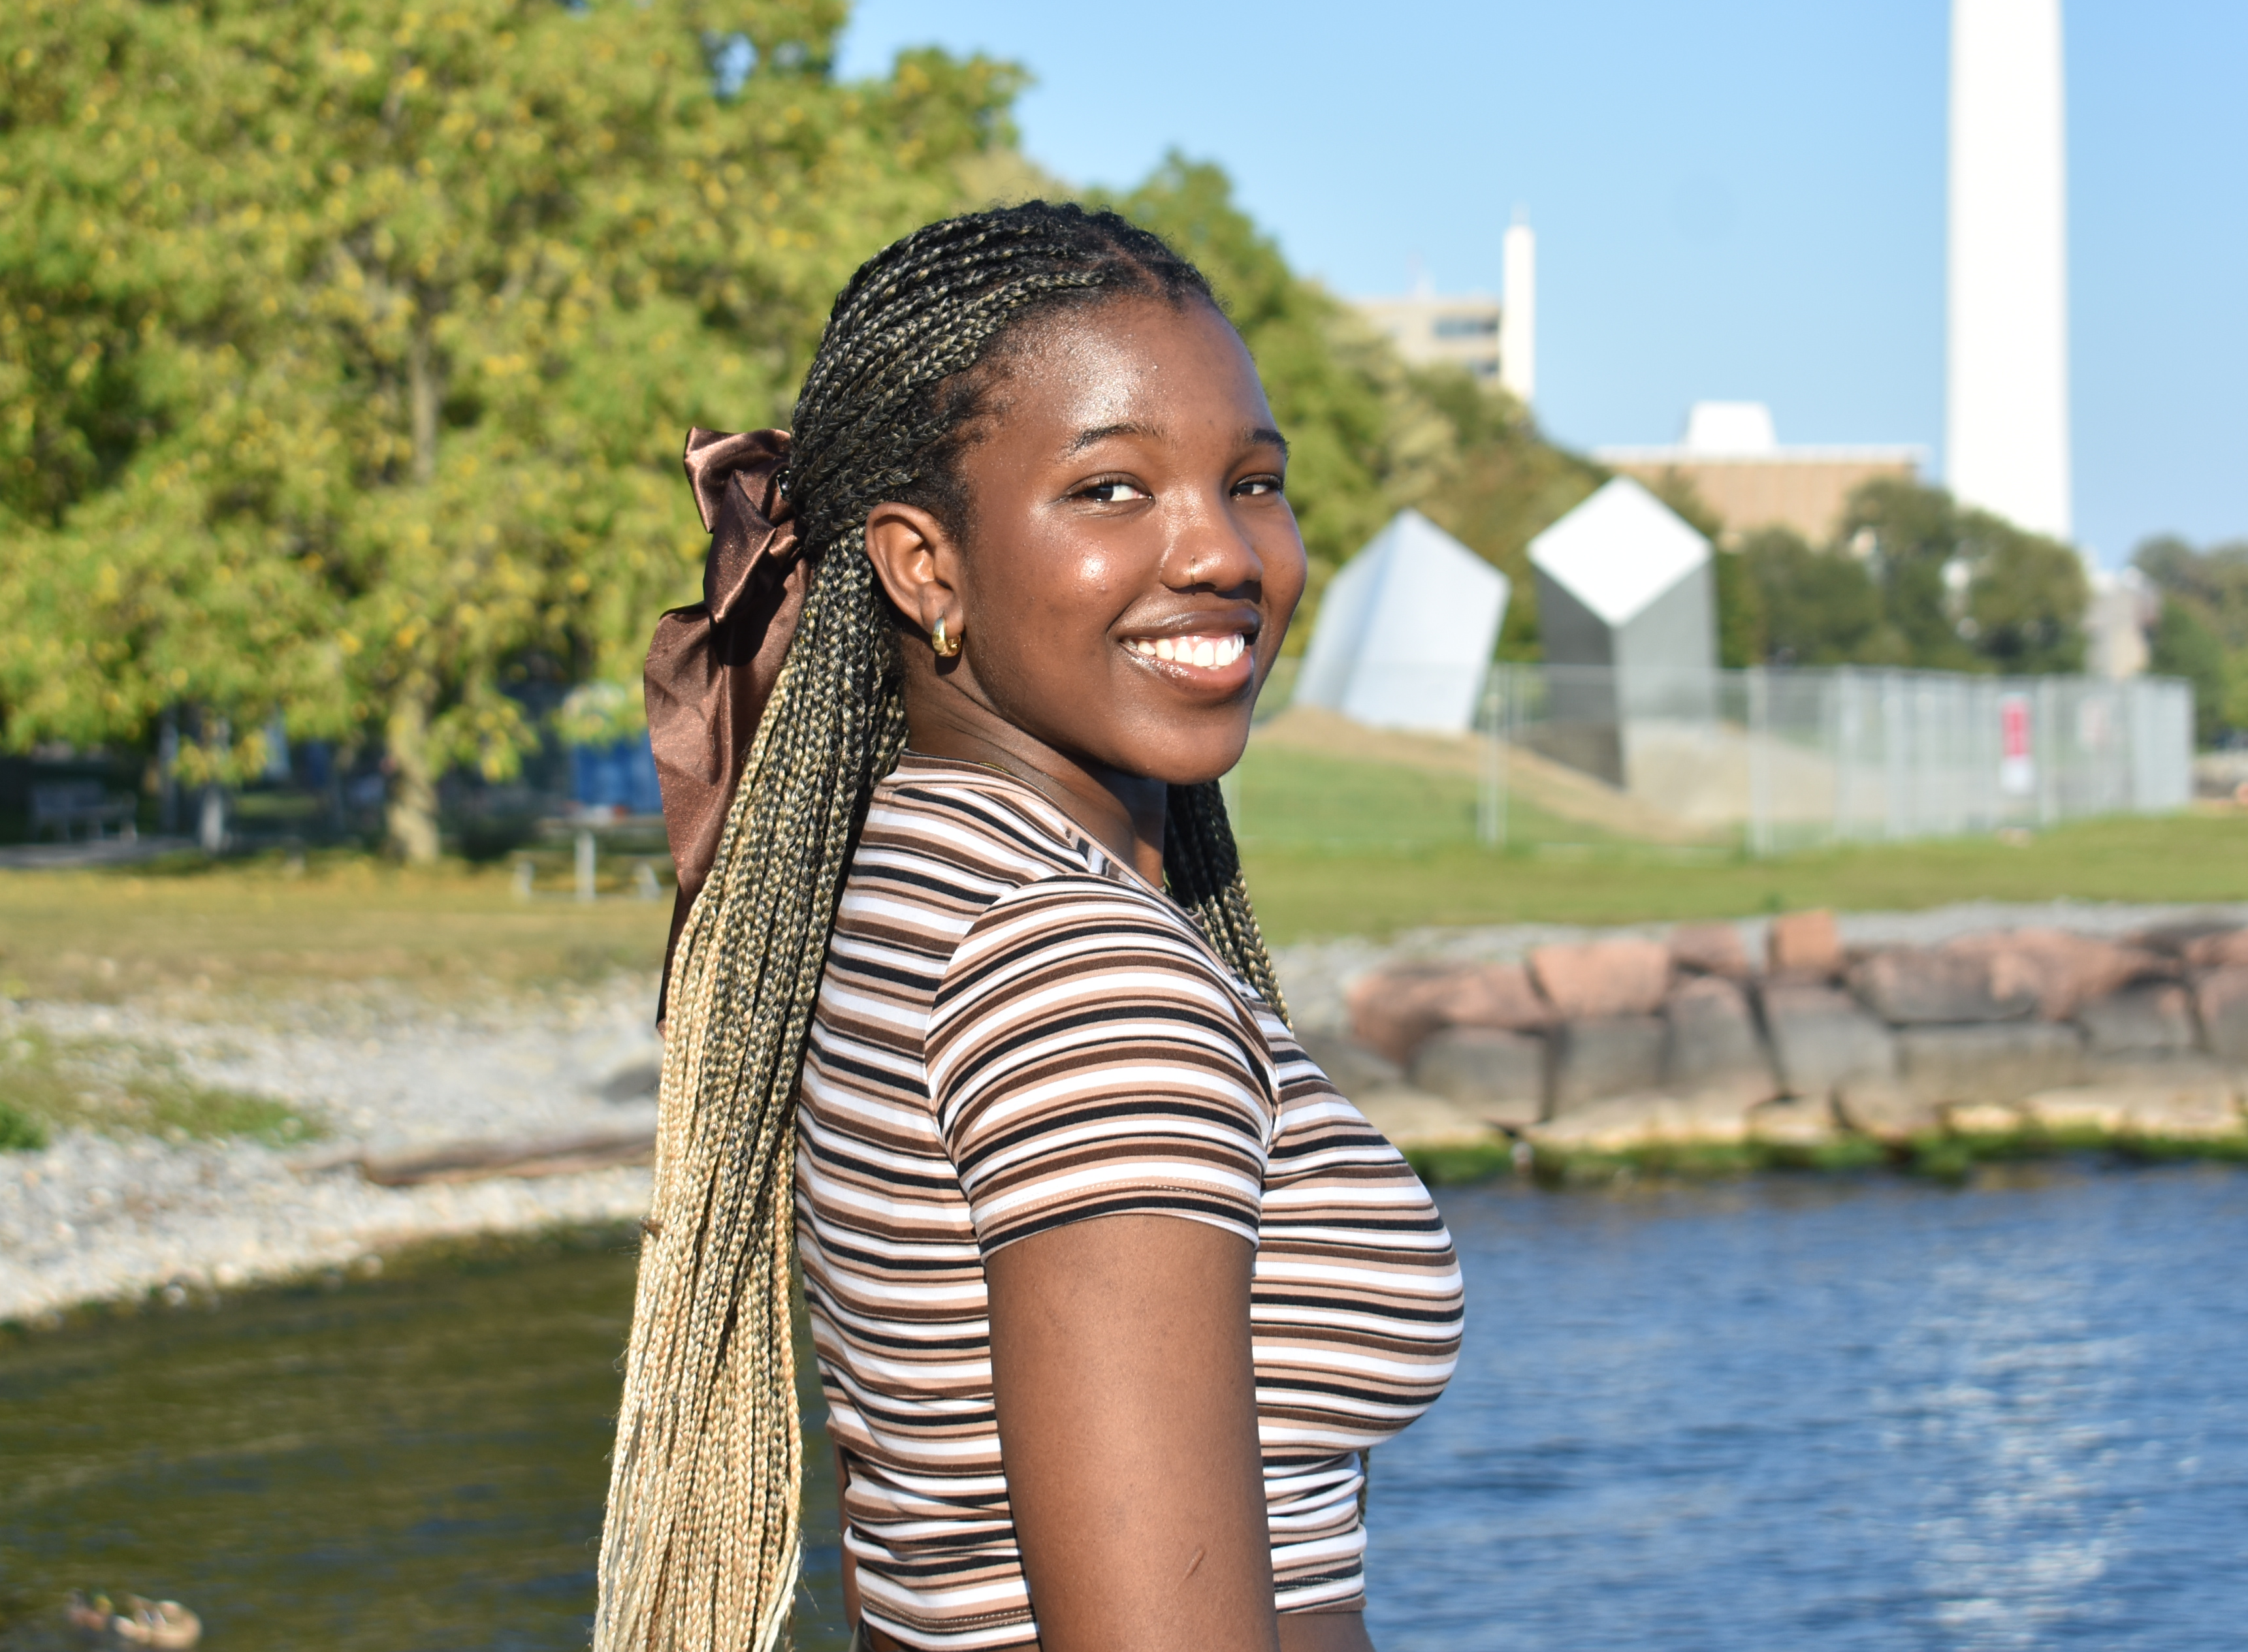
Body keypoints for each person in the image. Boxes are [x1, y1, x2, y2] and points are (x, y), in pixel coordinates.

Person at [598, 203, 1462, 1652]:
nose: (1223, 551)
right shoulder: (1082, 976)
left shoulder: (901, 867)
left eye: (1252, 482)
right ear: (923, 567)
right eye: (1112, 488)